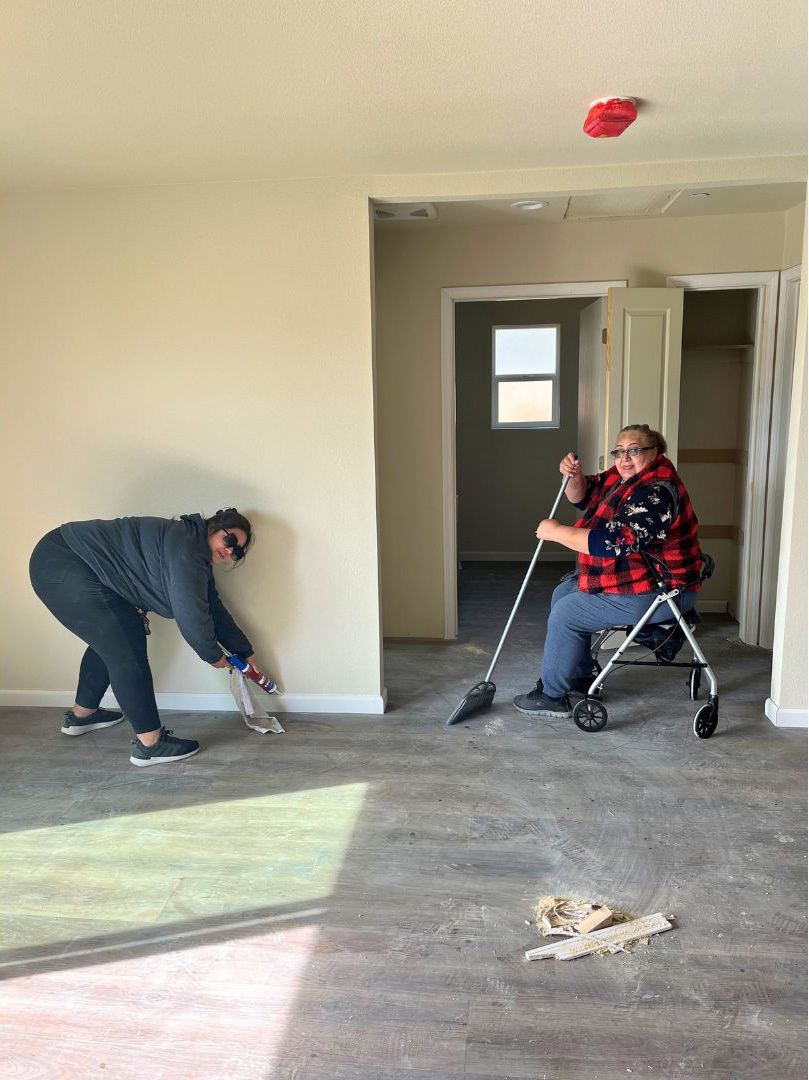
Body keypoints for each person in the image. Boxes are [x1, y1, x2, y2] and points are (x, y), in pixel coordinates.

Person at [29, 508, 262, 766]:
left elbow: (212, 608)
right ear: (213, 527)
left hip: (61, 559)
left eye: (237, 552)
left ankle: (82, 716)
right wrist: (214, 657)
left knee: (113, 639)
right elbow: (192, 616)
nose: (230, 551)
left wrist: (244, 651)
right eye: (230, 541)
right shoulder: (187, 548)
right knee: (126, 645)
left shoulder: (193, 553)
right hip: (65, 560)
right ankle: (151, 744)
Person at [513, 424, 703, 719]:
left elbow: (611, 543)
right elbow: (583, 497)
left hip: (664, 589)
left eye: (635, 450)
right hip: (645, 576)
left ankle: (554, 696)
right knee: (564, 592)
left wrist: (556, 532)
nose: (625, 458)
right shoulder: (624, 476)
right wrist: (574, 477)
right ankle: (580, 677)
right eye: (619, 451)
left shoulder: (656, 492)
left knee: (567, 614)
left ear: (656, 452)